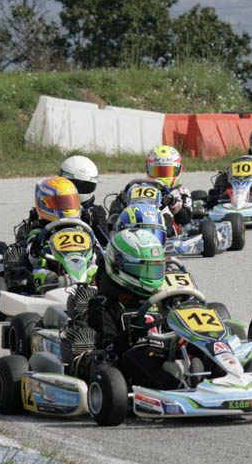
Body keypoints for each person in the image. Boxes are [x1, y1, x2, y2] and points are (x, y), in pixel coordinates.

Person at [69, 229, 185, 391]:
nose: (150, 275)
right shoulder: (103, 305)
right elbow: (107, 347)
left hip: (165, 355)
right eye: (143, 269)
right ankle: (175, 389)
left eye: (154, 269)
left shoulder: (162, 299)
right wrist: (130, 335)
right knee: (133, 357)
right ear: (118, 267)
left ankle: (218, 377)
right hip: (127, 366)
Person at [145, 145, 193, 236]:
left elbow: (186, 219)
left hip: (168, 230)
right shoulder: (144, 189)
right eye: (158, 171)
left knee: (165, 215)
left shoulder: (181, 192)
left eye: (167, 171)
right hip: (142, 220)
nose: (162, 176)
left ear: (178, 170)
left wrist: (173, 203)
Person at [58, 155, 108, 243]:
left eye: (85, 186)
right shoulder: (53, 206)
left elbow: (106, 243)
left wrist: (93, 221)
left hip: (86, 250)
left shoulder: (96, 213)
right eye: (74, 185)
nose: (77, 190)